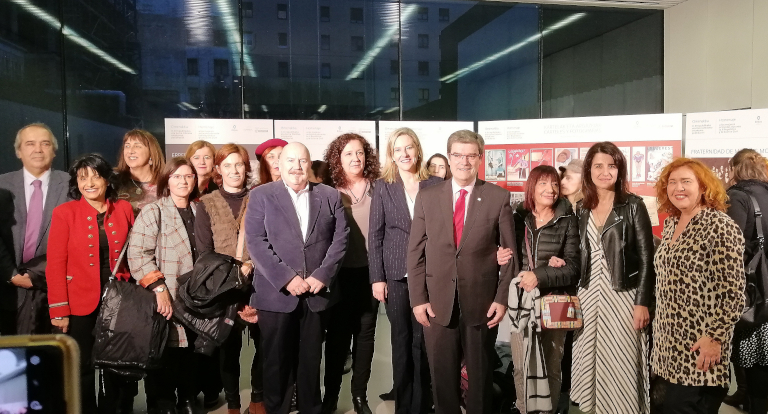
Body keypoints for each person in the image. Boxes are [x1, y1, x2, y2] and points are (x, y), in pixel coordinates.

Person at [407, 130, 516, 414]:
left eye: (471, 155)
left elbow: (510, 255)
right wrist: (418, 299)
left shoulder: (498, 197)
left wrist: (501, 298)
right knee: (442, 379)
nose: (464, 161)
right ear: (449, 156)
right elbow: (415, 253)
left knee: (480, 380)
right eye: (458, 155)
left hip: (482, 304)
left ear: (480, 158)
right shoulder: (427, 197)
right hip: (437, 303)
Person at [245, 142, 349, 414]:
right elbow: (256, 241)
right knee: (276, 363)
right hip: (276, 295)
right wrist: (287, 279)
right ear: (279, 165)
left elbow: (340, 239)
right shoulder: (261, 195)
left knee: (311, 362)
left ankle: (310, 409)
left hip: (316, 293)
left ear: (309, 164)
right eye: (290, 160)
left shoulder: (329, 195)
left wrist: (323, 275)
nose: (296, 167)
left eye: (302, 161)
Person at [652, 157, 745, 414]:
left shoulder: (720, 226)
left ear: (703, 187)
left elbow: (734, 293)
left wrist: (714, 338)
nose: (678, 188)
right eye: (672, 182)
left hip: (700, 348)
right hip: (667, 349)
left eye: (686, 181)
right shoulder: (671, 223)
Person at [569, 142, 654, 414]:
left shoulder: (633, 205)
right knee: (589, 355)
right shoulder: (581, 207)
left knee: (621, 357)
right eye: (598, 166)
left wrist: (642, 302)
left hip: (623, 294)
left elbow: (647, 258)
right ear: (588, 170)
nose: (605, 172)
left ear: (620, 170)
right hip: (587, 293)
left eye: (612, 166)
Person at [46, 154, 135, 414]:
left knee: (116, 364)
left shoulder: (124, 209)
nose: (90, 183)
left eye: (96, 176)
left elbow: (135, 254)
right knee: (81, 365)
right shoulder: (64, 213)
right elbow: (55, 264)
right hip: (78, 301)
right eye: (83, 178)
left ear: (107, 180)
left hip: (119, 300)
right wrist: (59, 309)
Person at [497, 165, 580, 413]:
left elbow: (574, 267)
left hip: (555, 303)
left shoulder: (567, 219)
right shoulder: (518, 218)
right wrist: (497, 255)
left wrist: (540, 275)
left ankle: (548, 411)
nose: (550, 189)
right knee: (521, 365)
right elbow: (507, 254)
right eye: (543, 183)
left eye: (554, 183)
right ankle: (524, 409)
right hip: (523, 304)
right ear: (532, 187)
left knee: (551, 367)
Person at [368, 127, 440, 414]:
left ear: (417, 150)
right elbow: (375, 235)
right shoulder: (383, 186)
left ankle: (421, 405)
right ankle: (403, 405)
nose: (404, 153)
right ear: (391, 155)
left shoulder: (435, 184)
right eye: (398, 149)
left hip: (429, 273)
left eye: (409, 147)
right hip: (396, 274)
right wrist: (377, 278)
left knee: (423, 341)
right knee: (401, 340)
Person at [127, 157, 200, 414]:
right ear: (167, 180)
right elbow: (138, 254)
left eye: (188, 176)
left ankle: (188, 399)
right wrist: (159, 288)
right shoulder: (154, 211)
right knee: (164, 351)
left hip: (196, 297)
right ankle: (162, 404)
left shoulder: (200, 210)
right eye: (176, 176)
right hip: (165, 294)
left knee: (191, 352)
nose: (183, 181)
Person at [194, 143, 260, 414]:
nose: (234, 170)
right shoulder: (206, 204)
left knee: (264, 345)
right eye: (228, 165)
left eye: (239, 164)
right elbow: (204, 252)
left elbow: (270, 241)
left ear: (246, 168)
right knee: (228, 349)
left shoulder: (259, 198)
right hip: (224, 289)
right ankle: (233, 403)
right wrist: (231, 276)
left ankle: (258, 398)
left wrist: (251, 265)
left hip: (259, 285)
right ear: (218, 169)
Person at [321, 134, 381, 414]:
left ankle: (359, 397)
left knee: (365, 336)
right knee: (337, 338)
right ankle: (330, 397)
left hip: (371, 273)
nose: (355, 158)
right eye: (348, 153)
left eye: (359, 153)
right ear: (337, 159)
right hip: (339, 275)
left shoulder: (379, 188)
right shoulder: (329, 191)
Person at [0, 123, 69, 335]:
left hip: (54, 292)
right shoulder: (1, 186)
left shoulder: (72, 186)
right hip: (6, 290)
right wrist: (11, 274)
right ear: (18, 151)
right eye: (30, 144)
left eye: (45, 144)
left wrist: (35, 274)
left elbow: (76, 239)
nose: (38, 149)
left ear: (54, 151)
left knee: (53, 353)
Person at [726, 149, 768, 414]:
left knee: (752, 358)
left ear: (734, 168)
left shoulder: (737, 197)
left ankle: (753, 404)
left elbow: (732, 249)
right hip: (767, 285)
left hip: (753, 290)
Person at [115, 129, 166, 215]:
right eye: (127, 146)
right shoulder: (114, 182)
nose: (130, 151)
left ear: (151, 152)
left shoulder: (165, 184)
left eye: (137, 146)